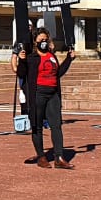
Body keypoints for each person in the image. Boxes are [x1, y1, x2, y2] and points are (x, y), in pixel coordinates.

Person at [16, 26, 74, 169]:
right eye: (41, 39)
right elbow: (21, 74)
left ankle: (59, 158)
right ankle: (41, 156)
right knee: (37, 126)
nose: (44, 42)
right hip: (38, 94)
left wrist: (69, 59)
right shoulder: (31, 57)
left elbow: (58, 73)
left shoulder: (51, 56)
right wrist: (21, 60)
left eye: (45, 39)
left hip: (53, 94)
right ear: (35, 41)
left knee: (56, 126)